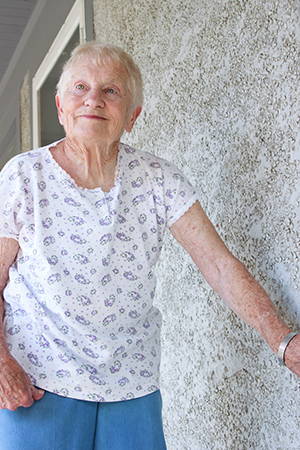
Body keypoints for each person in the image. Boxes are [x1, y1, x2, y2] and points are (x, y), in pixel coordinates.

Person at [0, 41, 299, 450]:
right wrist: (1, 365)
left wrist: (283, 342)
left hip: (131, 385)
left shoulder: (158, 179)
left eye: (111, 91)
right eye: (80, 88)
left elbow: (219, 265)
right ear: (59, 107)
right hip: (36, 382)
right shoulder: (24, 176)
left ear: (132, 116)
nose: (93, 100)